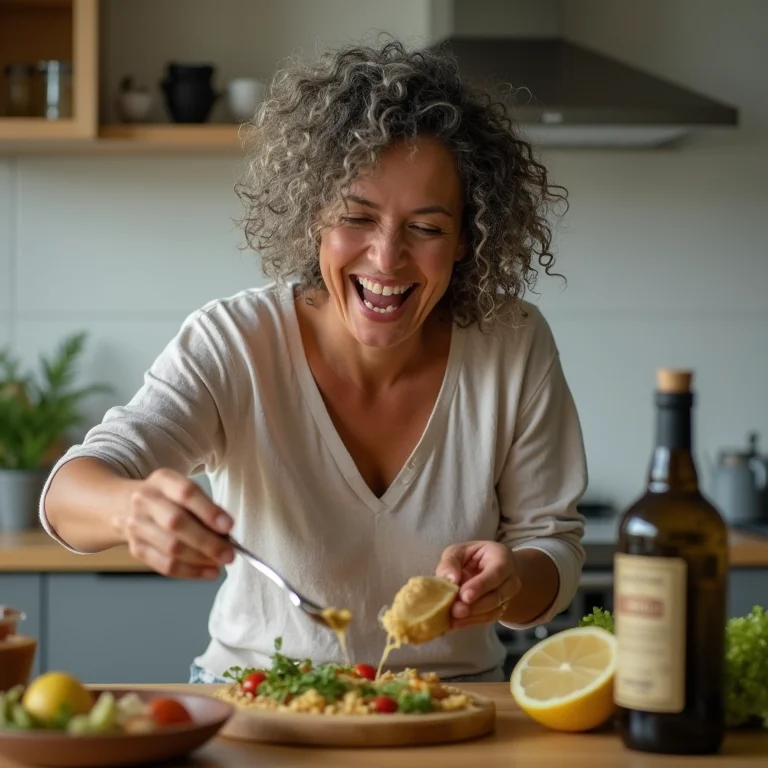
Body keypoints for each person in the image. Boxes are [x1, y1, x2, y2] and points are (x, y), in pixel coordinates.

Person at [40, 39, 588, 685]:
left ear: (468, 237)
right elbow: (71, 491)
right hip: (258, 705)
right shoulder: (236, 342)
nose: (386, 259)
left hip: (453, 712)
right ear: (312, 219)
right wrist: (129, 510)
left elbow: (552, 545)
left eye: (427, 228)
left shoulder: (512, 343)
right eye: (357, 217)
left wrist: (511, 581)